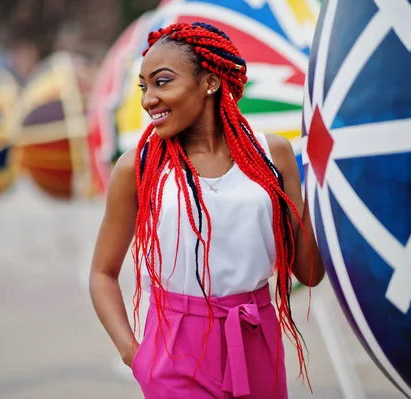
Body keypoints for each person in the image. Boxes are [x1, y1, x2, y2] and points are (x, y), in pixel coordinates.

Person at [89, 21, 325, 399]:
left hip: (255, 339)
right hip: (174, 349)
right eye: (144, 87)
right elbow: (102, 273)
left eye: (162, 82)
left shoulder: (272, 155)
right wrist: (136, 356)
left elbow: (309, 273)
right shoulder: (138, 168)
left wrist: (320, 181)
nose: (148, 99)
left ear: (210, 82)